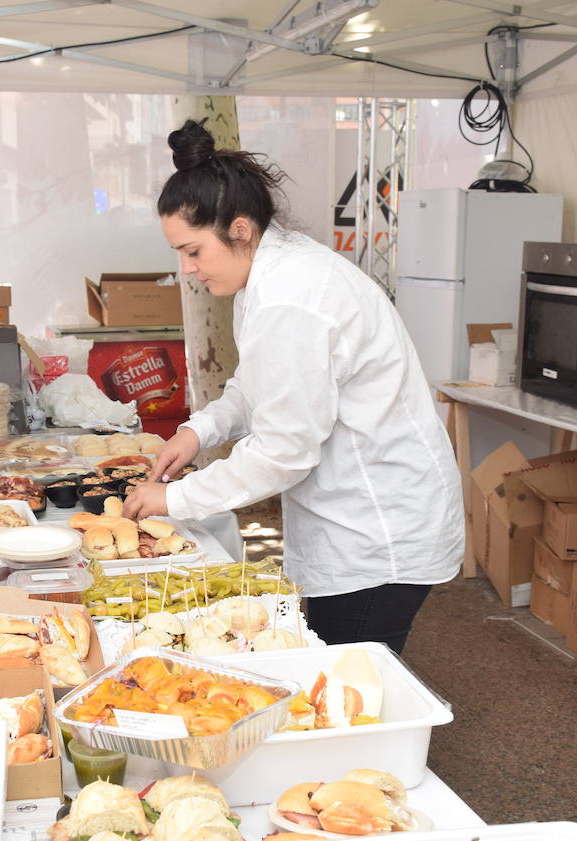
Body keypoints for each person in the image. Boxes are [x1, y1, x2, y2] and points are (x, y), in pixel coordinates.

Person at [122, 119, 464, 655]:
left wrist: (176, 497)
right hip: (354, 516)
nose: (187, 270)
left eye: (193, 251)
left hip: (377, 528)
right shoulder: (263, 275)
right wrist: (198, 431)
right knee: (336, 673)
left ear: (239, 229)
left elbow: (283, 452)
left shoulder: (289, 296)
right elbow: (256, 384)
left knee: (349, 685)